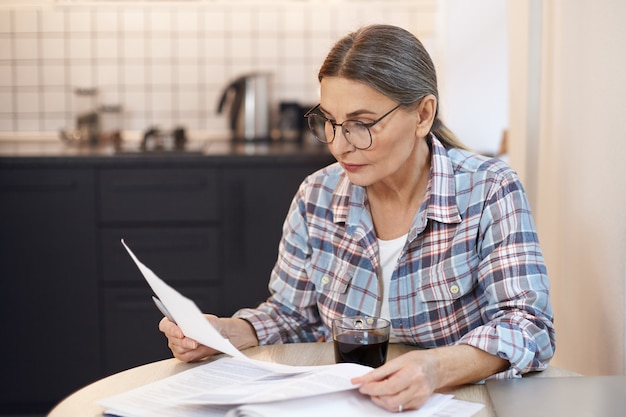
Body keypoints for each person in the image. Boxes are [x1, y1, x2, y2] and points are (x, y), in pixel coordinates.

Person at [159, 24, 556, 413]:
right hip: (348, 402)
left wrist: (436, 367)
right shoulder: (317, 195)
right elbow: (293, 315)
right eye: (329, 122)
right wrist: (230, 333)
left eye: (361, 124)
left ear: (422, 115)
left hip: (459, 403)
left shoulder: (488, 190)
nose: (338, 144)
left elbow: (529, 325)